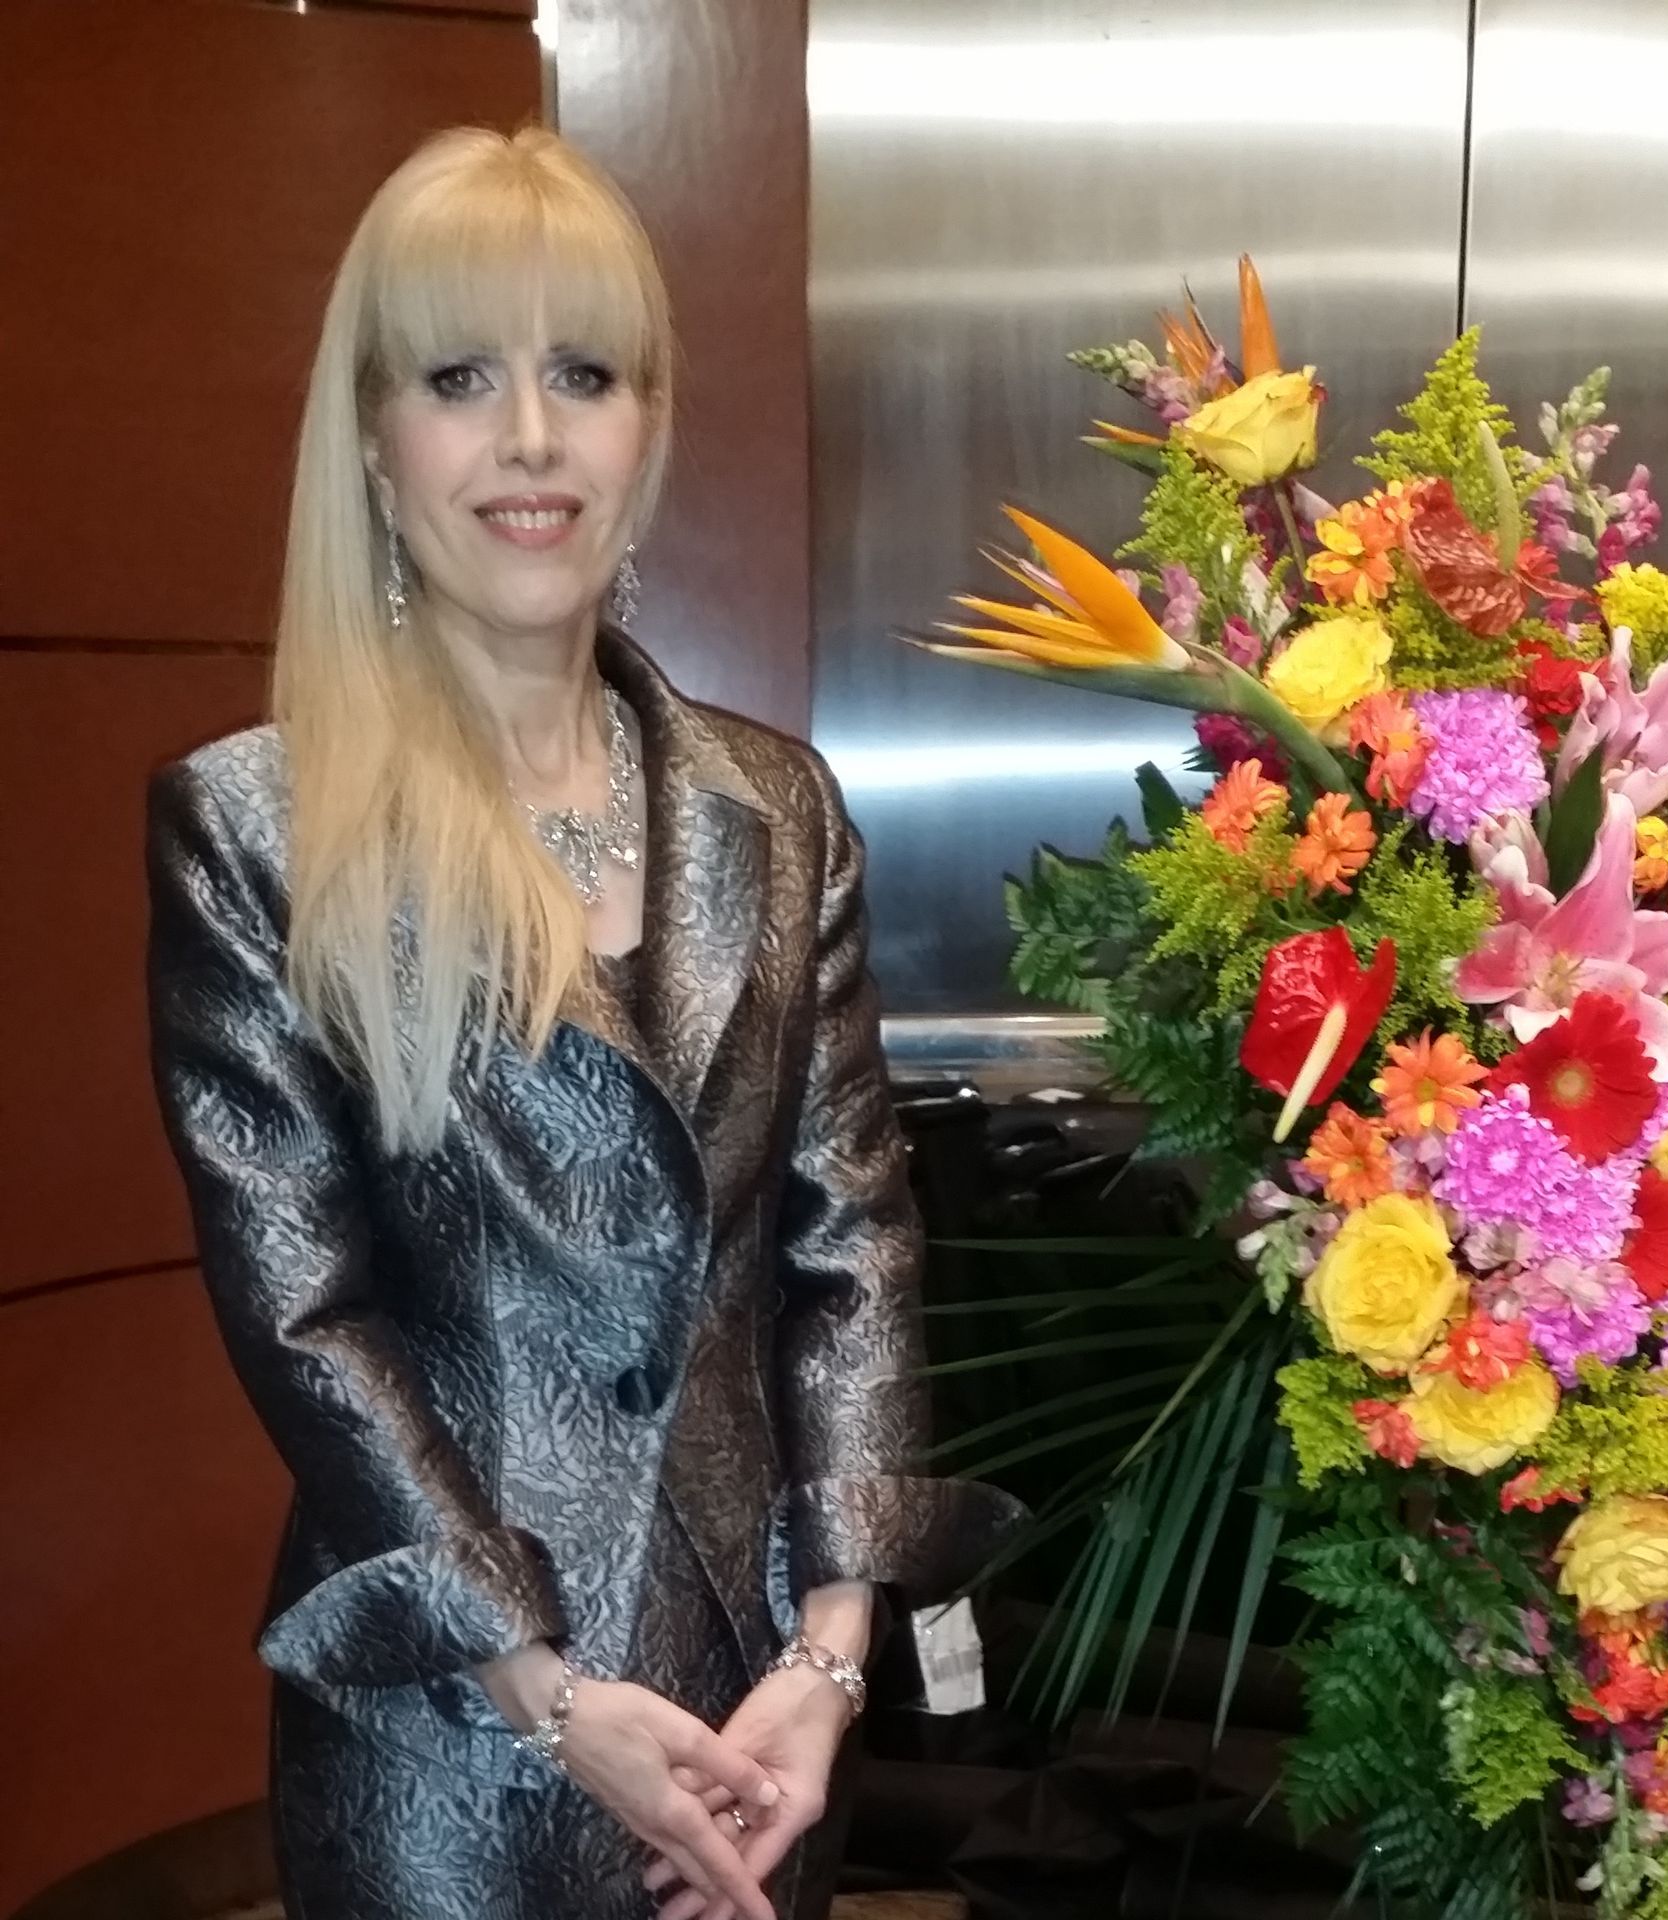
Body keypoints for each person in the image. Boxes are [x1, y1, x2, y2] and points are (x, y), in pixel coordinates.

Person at [146, 125, 1016, 1920]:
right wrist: (544, 1692)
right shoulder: (258, 829)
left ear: (650, 423)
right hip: (450, 1741)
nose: (532, 437)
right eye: (460, 379)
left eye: (586, 376)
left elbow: (853, 1246)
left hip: (761, 1719)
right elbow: (308, 1321)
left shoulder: (781, 807)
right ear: (375, 438)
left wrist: (831, 1657)